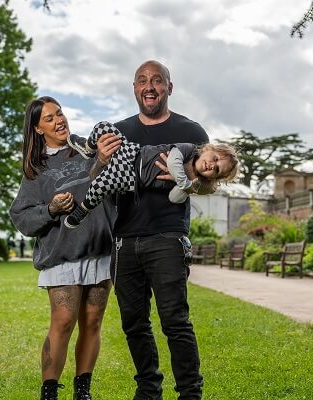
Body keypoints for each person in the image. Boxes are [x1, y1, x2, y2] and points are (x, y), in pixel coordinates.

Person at [103, 60, 209, 400]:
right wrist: (100, 162)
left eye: (157, 80)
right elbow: (97, 182)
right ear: (134, 88)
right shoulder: (118, 133)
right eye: (142, 80)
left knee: (175, 321)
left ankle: (190, 393)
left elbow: (210, 180)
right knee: (134, 323)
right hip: (124, 240)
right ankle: (148, 390)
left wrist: (191, 180)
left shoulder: (192, 132)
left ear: (169, 88)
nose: (150, 86)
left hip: (168, 237)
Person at [9, 96, 116, 400]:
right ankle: (50, 393)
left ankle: (82, 390)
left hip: (100, 249)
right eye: (50, 119)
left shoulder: (87, 148)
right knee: (64, 321)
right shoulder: (36, 170)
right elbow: (22, 217)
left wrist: (104, 159)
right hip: (62, 255)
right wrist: (51, 210)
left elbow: (110, 180)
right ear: (38, 129)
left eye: (60, 114)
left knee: (93, 321)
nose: (59, 121)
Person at [63, 121, 239, 228]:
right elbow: (173, 159)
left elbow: (175, 197)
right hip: (132, 152)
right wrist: (182, 180)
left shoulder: (193, 182)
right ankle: (88, 147)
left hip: (131, 177)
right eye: (215, 159)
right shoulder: (190, 150)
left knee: (99, 187)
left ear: (212, 178)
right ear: (208, 149)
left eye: (216, 170)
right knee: (103, 127)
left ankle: (83, 209)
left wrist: (187, 188)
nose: (211, 165)